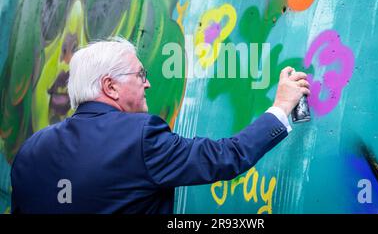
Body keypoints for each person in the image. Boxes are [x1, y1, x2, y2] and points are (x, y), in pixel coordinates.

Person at [10, 37, 310, 214]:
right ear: (110, 87)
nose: (148, 83)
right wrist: (282, 107)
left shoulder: (30, 149)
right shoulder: (139, 136)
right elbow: (225, 157)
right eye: (140, 75)